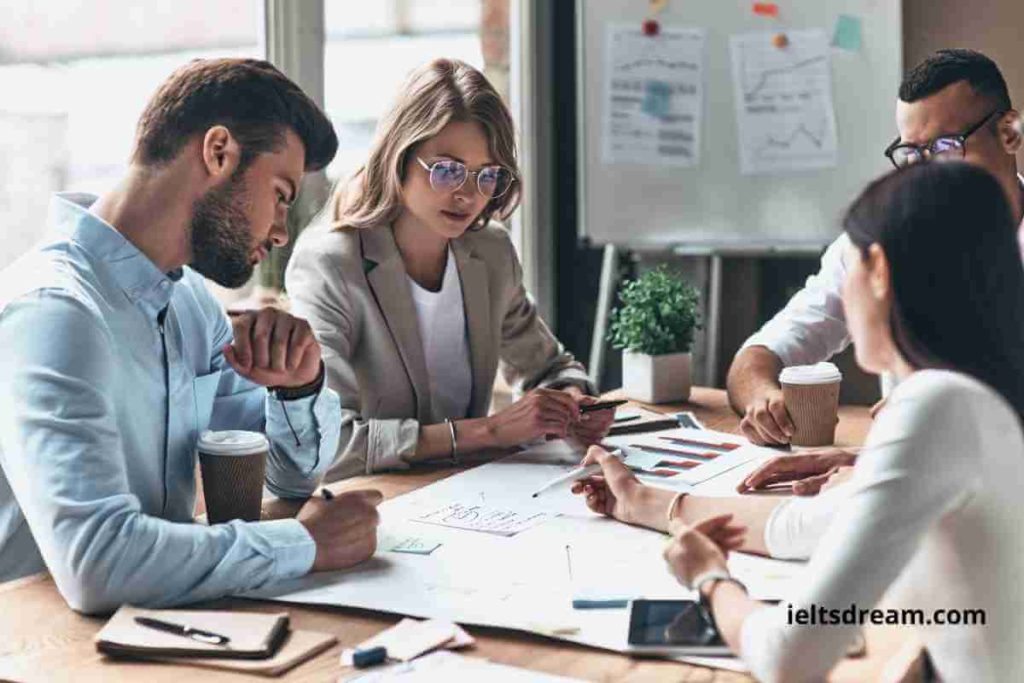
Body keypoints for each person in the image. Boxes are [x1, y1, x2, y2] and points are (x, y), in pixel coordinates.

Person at [588, 162, 1024, 680]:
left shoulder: (934, 408)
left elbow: (787, 659)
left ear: (878, 270)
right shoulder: (978, 404)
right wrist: (648, 502)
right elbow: (813, 527)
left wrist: (710, 581)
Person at [0, 59, 382, 613]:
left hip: (162, 631)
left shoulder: (188, 304)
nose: (280, 231)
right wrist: (306, 544)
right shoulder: (55, 312)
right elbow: (98, 563)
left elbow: (290, 477)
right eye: (280, 194)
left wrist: (297, 389)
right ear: (219, 151)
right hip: (43, 653)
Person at [286, 58, 613, 481]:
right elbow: (327, 442)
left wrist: (570, 403)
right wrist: (489, 430)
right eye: (446, 170)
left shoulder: (490, 251)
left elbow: (551, 369)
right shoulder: (330, 265)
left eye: (486, 175)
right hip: (376, 500)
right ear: (397, 158)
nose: (467, 195)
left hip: (472, 492)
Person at [727, 49, 1024, 490]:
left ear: (1009, 132)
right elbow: (760, 355)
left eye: (945, 147)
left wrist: (925, 434)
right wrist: (764, 399)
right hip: (909, 489)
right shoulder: (874, 245)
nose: (924, 172)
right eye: (912, 153)